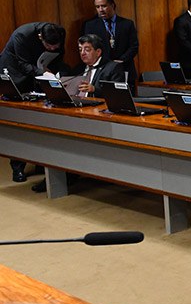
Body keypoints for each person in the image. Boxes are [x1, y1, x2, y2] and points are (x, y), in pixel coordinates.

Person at [29, 33, 126, 194]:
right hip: (78, 113)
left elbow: (118, 94)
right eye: (80, 49)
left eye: (87, 49)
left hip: (102, 118)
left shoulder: (112, 67)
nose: (82, 53)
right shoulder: (78, 68)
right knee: (57, 136)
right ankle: (61, 174)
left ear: (98, 52)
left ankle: (71, 173)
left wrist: (95, 89)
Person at [0, 22, 66, 183]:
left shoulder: (60, 32)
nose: (52, 48)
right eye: (48, 46)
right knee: (21, 120)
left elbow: (59, 54)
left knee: (43, 117)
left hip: (42, 70)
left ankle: (42, 161)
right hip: (16, 72)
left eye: (54, 45)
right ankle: (17, 167)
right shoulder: (22, 35)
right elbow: (22, 64)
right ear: (39, 37)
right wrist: (42, 72)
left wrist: (54, 75)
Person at [82, 0, 139, 90]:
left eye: (104, 6)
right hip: (103, 73)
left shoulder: (127, 24)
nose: (100, 10)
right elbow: (90, 49)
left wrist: (121, 60)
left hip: (125, 69)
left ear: (112, 5)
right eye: (97, 7)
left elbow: (134, 46)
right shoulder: (90, 25)